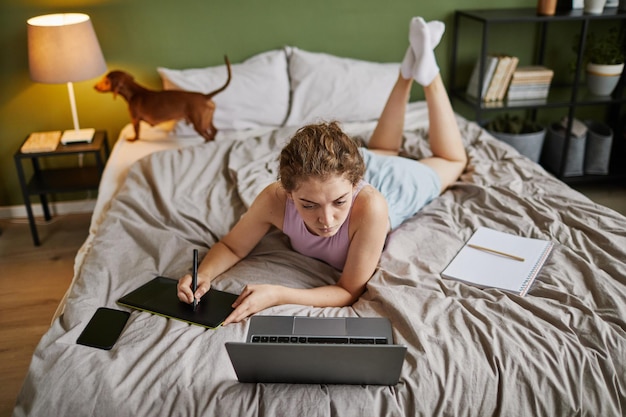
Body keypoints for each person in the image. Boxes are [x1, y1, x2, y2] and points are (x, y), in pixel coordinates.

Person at [177, 16, 467, 324]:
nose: (326, 220)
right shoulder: (274, 199)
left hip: (391, 186)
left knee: (452, 160)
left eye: (339, 203)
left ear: (356, 182)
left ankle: (428, 73)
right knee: (382, 151)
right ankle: (407, 71)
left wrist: (278, 294)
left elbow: (347, 291)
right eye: (309, 205)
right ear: (289, 193)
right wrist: (202, 275)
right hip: (341, 174)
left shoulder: (371, 207)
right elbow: (232, 246)